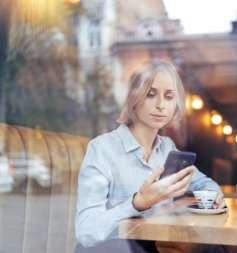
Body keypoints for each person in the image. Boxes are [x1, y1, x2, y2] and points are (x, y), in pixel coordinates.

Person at [74, 59, 226, 253]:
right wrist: (138, 202)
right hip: (117, 248)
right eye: (151, 94)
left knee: (215, 248)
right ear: (133, 98)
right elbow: (86, 232)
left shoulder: (167, 149)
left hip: (157, 245)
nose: (161, 105)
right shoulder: (102, 148)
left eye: (169, 96)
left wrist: (214, 195)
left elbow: (203, 182)